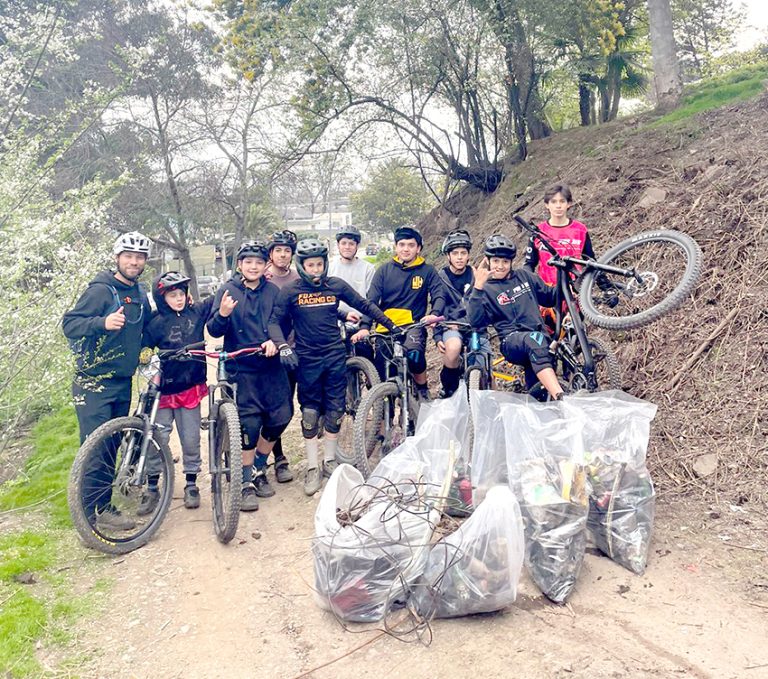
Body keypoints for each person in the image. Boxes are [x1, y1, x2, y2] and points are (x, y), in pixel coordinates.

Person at [268, 238, 395, 495]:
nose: (315, 269)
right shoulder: (290, 291)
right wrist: (283, 346)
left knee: (336, 411)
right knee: (311, 414)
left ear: (325, 264)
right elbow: (273, 323)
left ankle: (329, 462)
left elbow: (365, 304)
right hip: (307, 359)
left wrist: (391, 325)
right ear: (301, 266)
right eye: (310, 265)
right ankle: (313, 467)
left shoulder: (335, 285)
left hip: (335, 355)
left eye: (319, 264)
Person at [62, 231, 153, 530]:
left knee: (112, 445)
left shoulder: (139, 294)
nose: (134, 261)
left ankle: (105, 507)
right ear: (117, 258)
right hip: (93, 383)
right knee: (94, 447)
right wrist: (102, 322)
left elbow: (148, 327)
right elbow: (70, 324)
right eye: (128, 256)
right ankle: (87, 520)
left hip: (122, 381)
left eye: (139, 257)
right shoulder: (100, 291)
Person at [207, 241, 292, 511]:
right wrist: (223, 314)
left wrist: (274, 341)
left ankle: (258, 467)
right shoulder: (227, 290)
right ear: (240, 265)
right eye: (248, 262)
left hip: (271, 366)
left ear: (265, 264)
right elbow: (213, 329)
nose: (253, 266)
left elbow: (283, 323)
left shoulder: (274, 291)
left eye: (258, 262)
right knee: (250, 426)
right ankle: (244, 482)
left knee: (281, 417)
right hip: (241, 368)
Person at [142, 272, 216, 513]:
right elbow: (144, 347)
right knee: (157, 438)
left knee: (191, 438)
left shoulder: (196, 313)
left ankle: (191, 483)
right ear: (162, 297)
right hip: (163, 392)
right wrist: (145, 357)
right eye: (173, 295)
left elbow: (220, 296)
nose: (179, 299)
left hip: (190, 388)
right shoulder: (154, 322)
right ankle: (152, 486)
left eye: (181, 294)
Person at [467, 235, 564, 401]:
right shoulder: (484, 288)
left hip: (539, 339)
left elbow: (550, 297)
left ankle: (545, 407)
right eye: (496, 261)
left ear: (511, 262)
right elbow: (476, 322)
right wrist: (477, 287)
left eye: (505, 262)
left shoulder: (524, 276)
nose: (500, 266)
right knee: (535, 340)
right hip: (511, 342)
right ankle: (561, 397)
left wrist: (565, 276)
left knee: (539, 392)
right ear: (488, 261)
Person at [356, 225, 445, 399]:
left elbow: (439, 295)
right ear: (396, 247)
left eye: (411, 245)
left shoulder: (428, 271)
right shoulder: (383, 271)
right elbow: (371, 301)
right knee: (381, 377)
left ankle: (422, 391)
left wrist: (435, 313)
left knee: (415, 357)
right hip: (385, 328)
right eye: (402, 244)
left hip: (414, 326)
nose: (406, 249)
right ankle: (382, 421)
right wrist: (365, 326)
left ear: (418, 248)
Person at [261, 229, 301, 484]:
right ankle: (277, 456)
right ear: (271, 253)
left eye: (287, 250)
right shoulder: (262, 277)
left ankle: (274, 456)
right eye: (278, 250)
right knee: (271, 408)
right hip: (268, 351)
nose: (283, 254)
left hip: (294, 350)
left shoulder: (299, 277)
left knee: (287, 405)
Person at [432, 229, 485, 398]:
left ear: (469, 255)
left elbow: (483, 302)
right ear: (448, 256)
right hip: (451, 325)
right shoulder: (440, 278)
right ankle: (448, 385)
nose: (460, 257)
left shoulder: (475, 275)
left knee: (485, 362)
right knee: (453, 348)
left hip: (475, 325)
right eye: (455, 253)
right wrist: (438, 336)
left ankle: (484, 391)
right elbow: (436, 308)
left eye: (464, 253)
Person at [524, 183, 599, 287]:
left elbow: (591, 260)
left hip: (574, 292)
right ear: (547, 204)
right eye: (553, 202)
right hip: (548, 293)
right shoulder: (538, 232)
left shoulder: (580, 230)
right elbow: (529, 264)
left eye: (562, 201)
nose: (558, 206)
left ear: (569, 204)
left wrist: (606, 286)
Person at [328, 225, 376, 360]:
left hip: (359, 322)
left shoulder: (367, 268)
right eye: (343, 243)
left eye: (351, 243)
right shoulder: (330, 268)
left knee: (366, 355)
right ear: (338, 245)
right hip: (335, 323)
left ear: (357, 246)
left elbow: (371, 298)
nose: (347, 247)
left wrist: (366, 323)